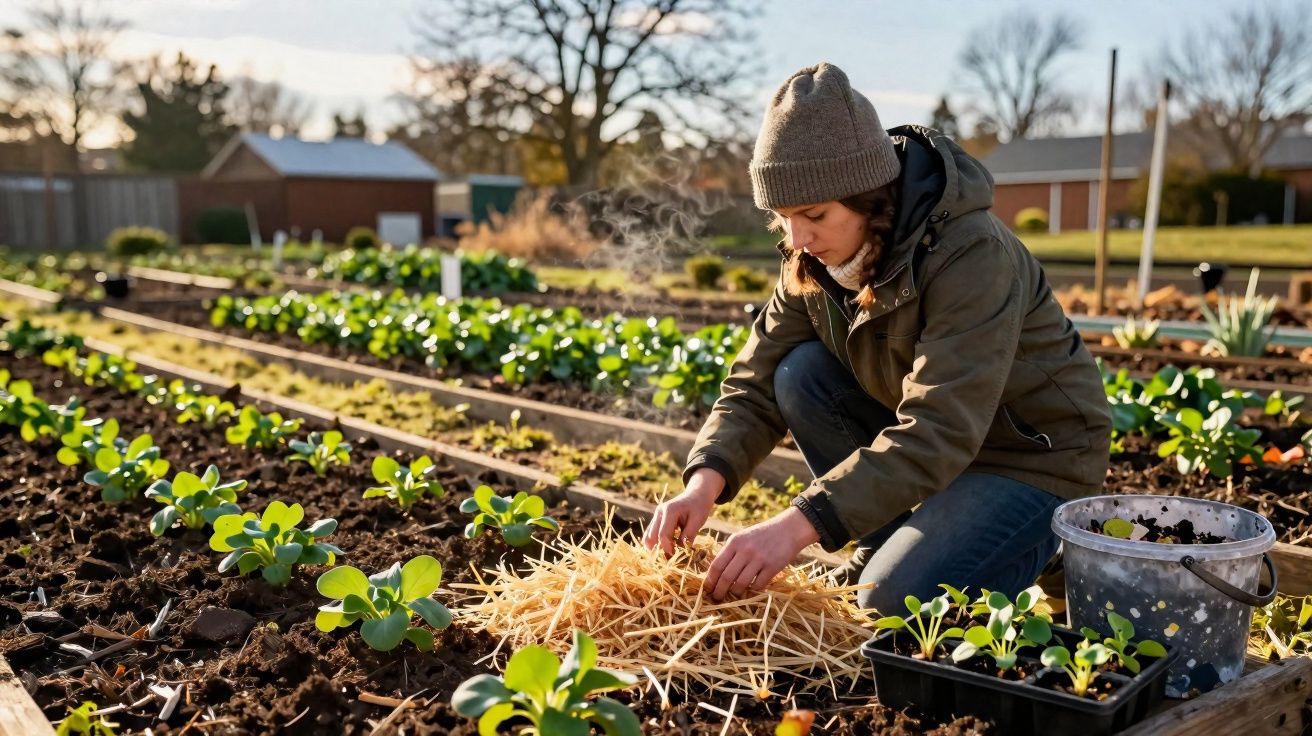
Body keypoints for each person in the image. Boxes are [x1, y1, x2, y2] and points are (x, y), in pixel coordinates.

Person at [641, 62, 1112, 614]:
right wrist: (703, 483)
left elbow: (940, 427)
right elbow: (756, 380)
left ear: (868, 195)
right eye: (782, 217)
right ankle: (886, 543)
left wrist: (798, 525)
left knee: (893, 604)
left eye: (814, 214)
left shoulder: (970, 254)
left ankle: (1050, 544)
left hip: (1030, 459)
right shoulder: (814, 259)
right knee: (798, 371)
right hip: (939, 456)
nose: (797, 237)